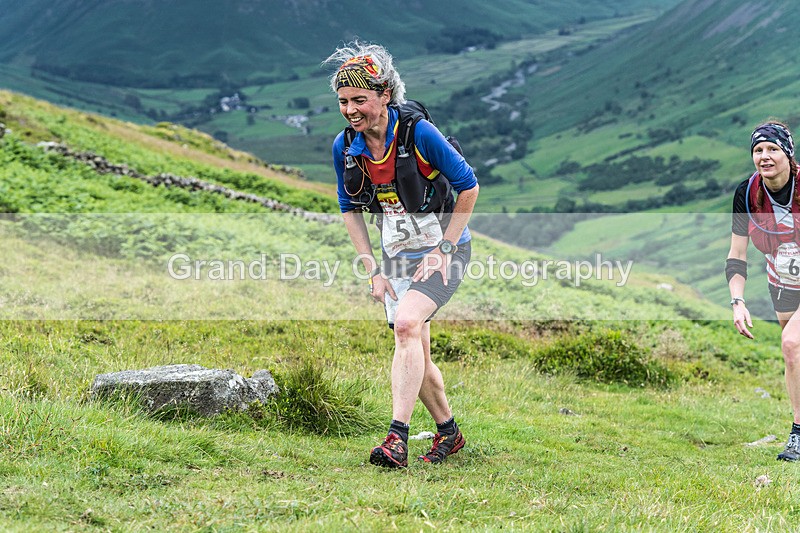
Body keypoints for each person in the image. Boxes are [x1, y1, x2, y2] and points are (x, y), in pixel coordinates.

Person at [325, 41, 479, 468]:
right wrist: (372, 270)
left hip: (444, 249)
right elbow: (349, 209)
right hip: (395, 255)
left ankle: (396, 439)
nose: (351, 110)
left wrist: (445, 249)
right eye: (343, 102)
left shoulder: (418, 134)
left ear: (384, 95)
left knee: (407, 325)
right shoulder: (345, 147)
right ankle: (449, 434)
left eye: (360, 100)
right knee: (415, 348)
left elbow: (469, 187)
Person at [727, 120, 800, 461]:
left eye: (773, 149)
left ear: (788, 153)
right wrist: (737, 301)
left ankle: (797, 435)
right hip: (782, 282)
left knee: (791, 344)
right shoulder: (746, 193)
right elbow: (736, 254)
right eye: (758, 150)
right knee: (794, 356)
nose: (765, 156)